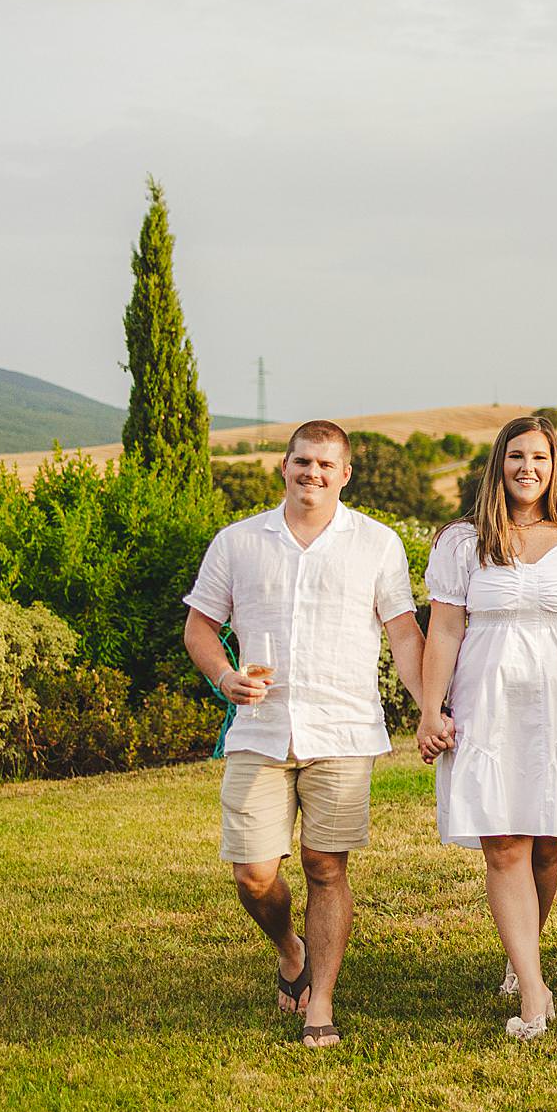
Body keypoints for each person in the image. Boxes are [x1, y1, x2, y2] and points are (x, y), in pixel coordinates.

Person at [183, 420, 425, 1050]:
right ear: (283, 467)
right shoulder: (238, 542)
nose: (312, 473)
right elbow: (199, 628)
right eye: (302, 462)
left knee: (325, 865)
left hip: (343, 728)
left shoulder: (377, 544)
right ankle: (290, 947)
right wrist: (226, 676)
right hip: (259, 730)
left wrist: (428, 705)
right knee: (252, 873)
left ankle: (322, 998)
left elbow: (403, 634)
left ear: (346, 474)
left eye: (326, 464)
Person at [416, 416, 557, 1041]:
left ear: (554, 464)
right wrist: (432, 709)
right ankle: (535, 994)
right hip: (486, 702)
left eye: (539, 457)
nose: (527, 468)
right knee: (504, 842)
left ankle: (523, 955)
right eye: (516, 456)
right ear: (499, 463)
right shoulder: (462, 541)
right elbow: (447, 631)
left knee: (545, 846)